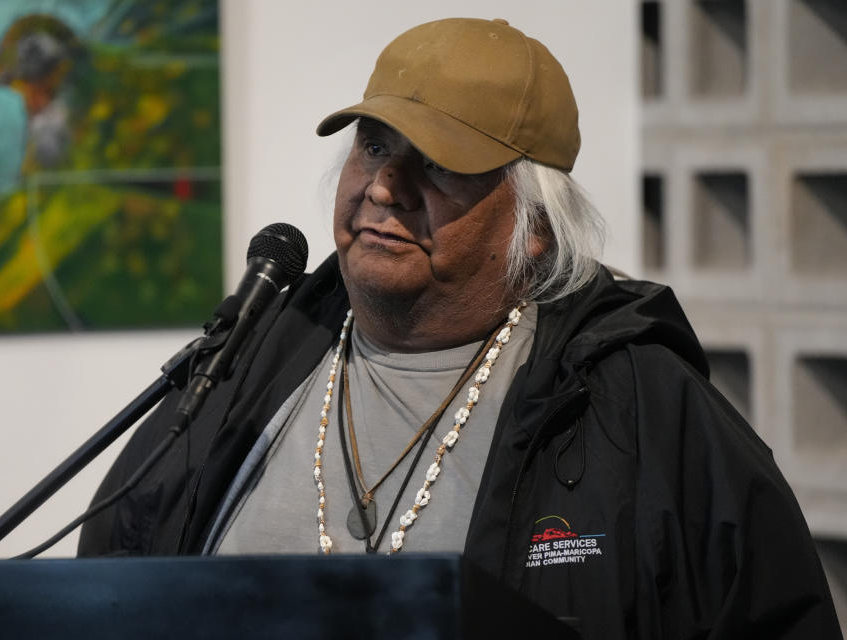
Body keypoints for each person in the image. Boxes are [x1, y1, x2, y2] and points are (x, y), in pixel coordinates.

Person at [78, 18, 840, 637]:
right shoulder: (238, 372)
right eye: (374, 146)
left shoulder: (644, 412)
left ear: (536, 225)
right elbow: (99, 593)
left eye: (439, 164)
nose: (383, 186)